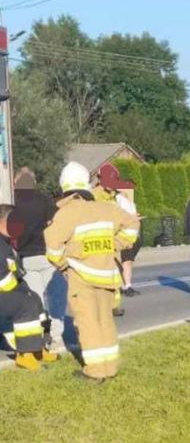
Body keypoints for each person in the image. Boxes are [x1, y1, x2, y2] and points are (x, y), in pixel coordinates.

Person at [44, 161, 140, 382]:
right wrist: (116, 244)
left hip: (81, 276)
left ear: (64, 186)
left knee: (88, 323)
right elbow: (132, 224)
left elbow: (52, 245)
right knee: (105, 320)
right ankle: (110, 366)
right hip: (107, 275)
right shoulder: (106, 208)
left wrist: (63, 265)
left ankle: (96, 371)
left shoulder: (67, 213)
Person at [11, 167, 66, 351]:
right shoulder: (45, 201)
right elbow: (55, 225)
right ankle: (57, 338)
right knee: (56, 299)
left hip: (25, 259)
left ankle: (40, 338)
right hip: (47, 256)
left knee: (36, 301)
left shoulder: (12, 203)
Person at [0, 204, 59, 371]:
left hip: (7, 290)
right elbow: (3, 280)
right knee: (24, 304)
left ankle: (38, 348)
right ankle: (25, 354)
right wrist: (21, 291)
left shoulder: (6, 242)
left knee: (34, 298)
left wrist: (24, 290)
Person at [96, 163, 142, 297]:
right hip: (103, 241)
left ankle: (115, 300)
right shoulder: (95, 197)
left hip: (114, 241)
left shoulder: (117, 198)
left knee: (117, 269)